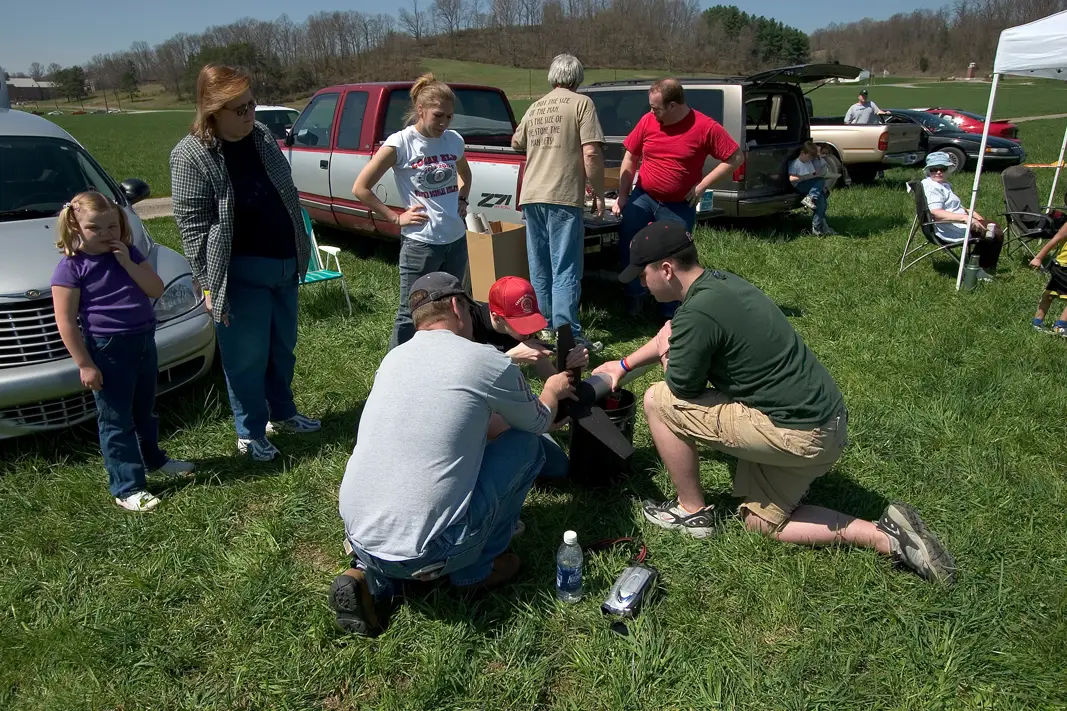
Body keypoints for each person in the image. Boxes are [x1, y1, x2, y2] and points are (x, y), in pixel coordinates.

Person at [593, 221, 956, 584]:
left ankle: (692, 512)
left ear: (667, 269)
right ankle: (886, 535)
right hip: (826, 422)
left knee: (660, 399)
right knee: (761, 524)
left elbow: (681, 388)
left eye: (644, 274)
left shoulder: (696, 314)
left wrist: (666, 356)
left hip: (798, 435)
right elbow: (671, 335)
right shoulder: (720, 284)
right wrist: (622, 367)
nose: (642, 283)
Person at [330, 274, 577, 636]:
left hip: (359, 533)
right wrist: (553, 389)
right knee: (525, 445)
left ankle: (367, 575)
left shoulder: (393, 360)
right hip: (433, 550)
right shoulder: (486, 360)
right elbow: (538, 423)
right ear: (459, 306)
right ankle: (475, 569)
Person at [171, 63, 319, 463]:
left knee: (282, 348)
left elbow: (283, 190)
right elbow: (192, 226)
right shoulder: (191, 155)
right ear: (211, 111)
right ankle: (250, 431)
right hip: (240, 274)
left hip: (285, 263)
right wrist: (205, 283)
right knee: (246, 356)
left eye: (251, 104)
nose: (250, 114)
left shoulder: (262, 136)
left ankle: (283, 413)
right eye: (240, 109)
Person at [50, 192, 195, 512]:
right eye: (95, 228)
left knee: (145, 408)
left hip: (143, 339)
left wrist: (127, 262)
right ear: (75, 227)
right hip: (108, 348)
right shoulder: (71, 268)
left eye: (112, 226)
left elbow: (155, 288)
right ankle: (127, 485)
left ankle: (152, 459)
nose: (106, 235)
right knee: (116, 419)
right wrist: (84, 364)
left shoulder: (127, 253)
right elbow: (66, 323)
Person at [352, 74, 472, 351]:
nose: (444, 123)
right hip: (421, 243)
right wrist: (395, 217)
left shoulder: (453, 141)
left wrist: (462, 198)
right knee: (412, 313)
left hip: (455, 239)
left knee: (453, 307)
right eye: (438, 115)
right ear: (421, 110)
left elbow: (465, 174)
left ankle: (446, 360)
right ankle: (398, 372)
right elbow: (361, 187)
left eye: (449, 117)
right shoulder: (401, 143)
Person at [611, 78, 744, 316]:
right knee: (630, 245)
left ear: (674, 105)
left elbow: (735, 158)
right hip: (644, 196)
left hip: (678, 205)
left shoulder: (704, 127)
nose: (652, 112)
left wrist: (702, 185)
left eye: (656, 108)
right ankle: (636, 296)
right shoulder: (647, 122)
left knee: (674, 257)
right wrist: (622, 196)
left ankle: (671, 309)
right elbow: (631, 156)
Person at [511, 54, 605, 347]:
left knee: (540, 266)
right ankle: (570, 335)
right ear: (578, 78)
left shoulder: (536, 106)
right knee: (565, 267)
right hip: (562, 195)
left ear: (552, 77)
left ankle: (545, 327)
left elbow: (516, 142)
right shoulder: (581, 103)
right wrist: (599, 192)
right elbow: (591, 153)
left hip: (531, 194)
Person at [921, 151, 1003, 279]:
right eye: (933, 169)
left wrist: (967, 210)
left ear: (948, 169)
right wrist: (965, 218)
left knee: (991, 227)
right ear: (928, 170)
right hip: (949, 227)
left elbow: (950, 206)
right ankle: (979, 268)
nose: (938, 172)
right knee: (994, 232)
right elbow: (936, 212)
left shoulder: (939, 184)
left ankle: (977, 264)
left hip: (954, 222)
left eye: (942, 168)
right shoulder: (933, 188)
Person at [789, 141, 835, 235]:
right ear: (802, 153)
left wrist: (816, 174)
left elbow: (813, 173)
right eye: (809, 157)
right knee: (820, 181)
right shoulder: (796, 164)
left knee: (822, 203)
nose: (810, 159)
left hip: (811, 185)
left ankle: (817, 227)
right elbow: (792, 179)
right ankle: (810, 197)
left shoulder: (809, 162)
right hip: (800, 185)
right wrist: (805, 177)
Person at [1029, 220, 1067, 334]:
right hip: (1063, 267)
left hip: (1060, 267)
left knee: (1049, 294)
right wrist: (1039, 258)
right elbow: (1055, 240)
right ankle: (1061, 326)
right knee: (1049, 294)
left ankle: (1037, 322)